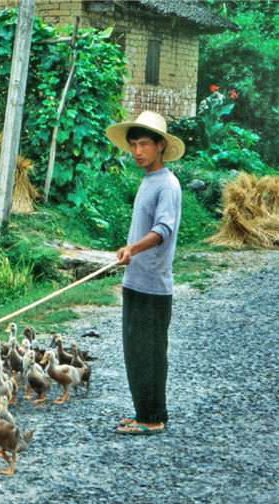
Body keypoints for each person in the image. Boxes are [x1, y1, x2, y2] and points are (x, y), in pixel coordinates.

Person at [105, 111, 185, 435]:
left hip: (153, 285)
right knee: (135, 352)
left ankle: (152, 418)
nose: (138, 151)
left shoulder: (167, 184)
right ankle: (146, 412)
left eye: (144, 145)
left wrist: (132, 250)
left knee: (149, 353)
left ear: (161, 146)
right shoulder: (149, 180)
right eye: (134, 145)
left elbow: (163, 230)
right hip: (137, 282)